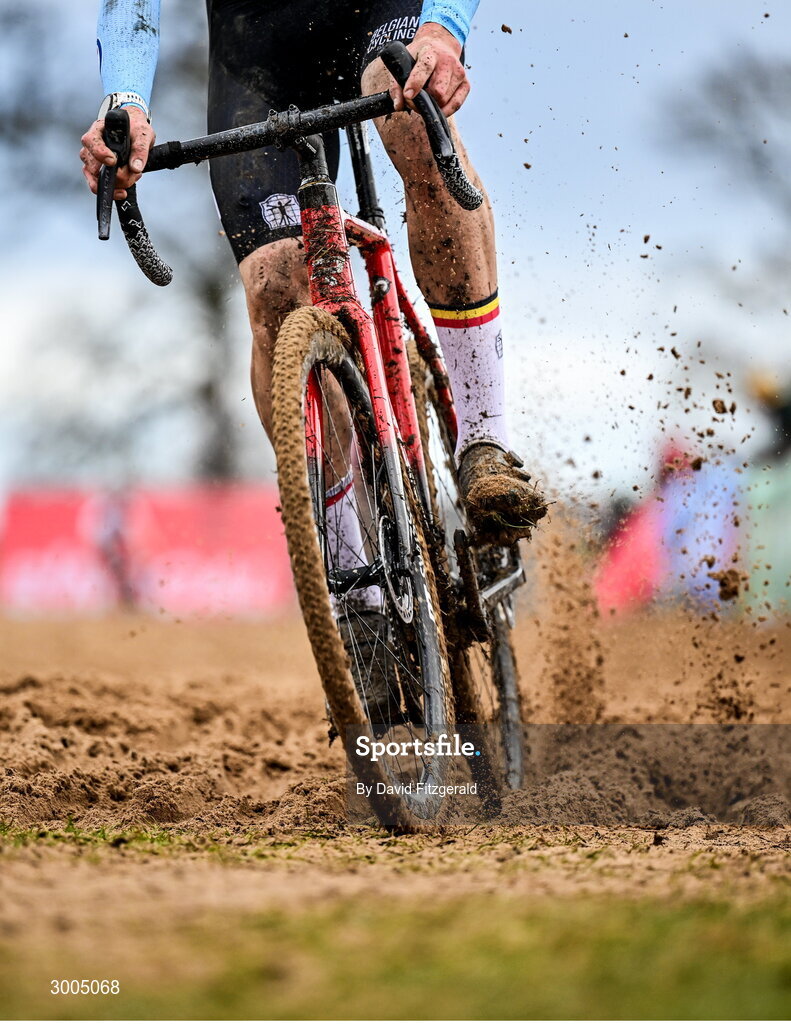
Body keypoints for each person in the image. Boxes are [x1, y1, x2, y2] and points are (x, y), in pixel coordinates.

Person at [80, 0, 547, 717]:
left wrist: (442, 28)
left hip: (382, 21)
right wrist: (125, 98)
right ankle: (355, 584)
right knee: (273, 287)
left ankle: (485, 440)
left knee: (415, 128)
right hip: (258, 57)